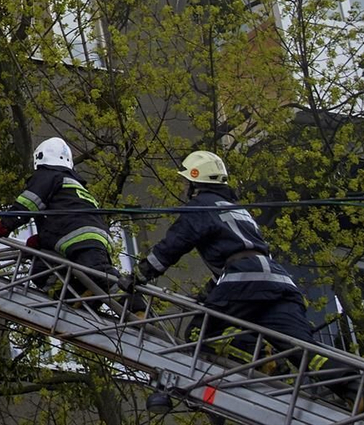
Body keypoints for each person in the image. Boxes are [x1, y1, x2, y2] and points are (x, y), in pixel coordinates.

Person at [134, 150, 315, 366]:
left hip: (245, 281)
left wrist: (139, 274)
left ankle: (264, 359)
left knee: (198, 334)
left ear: (196, 183)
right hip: (279, 282)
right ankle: (354, 390)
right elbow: (241, 254)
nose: (184, 187)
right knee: (304, 350)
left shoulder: (201, 207)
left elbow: (173, 245)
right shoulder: (240, 211)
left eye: (186, 181)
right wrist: (210, 292)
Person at [0, 137, 123, 299]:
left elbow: (27, 205)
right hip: (87, 240)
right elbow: (64, 216)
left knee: (101, 276)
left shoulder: (48, 175)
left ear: (40, 159)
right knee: (41, 270)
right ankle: (78, 295)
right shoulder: (78, 187)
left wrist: (0, 227)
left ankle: (137, 308)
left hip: (81, 241)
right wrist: (43, 240)